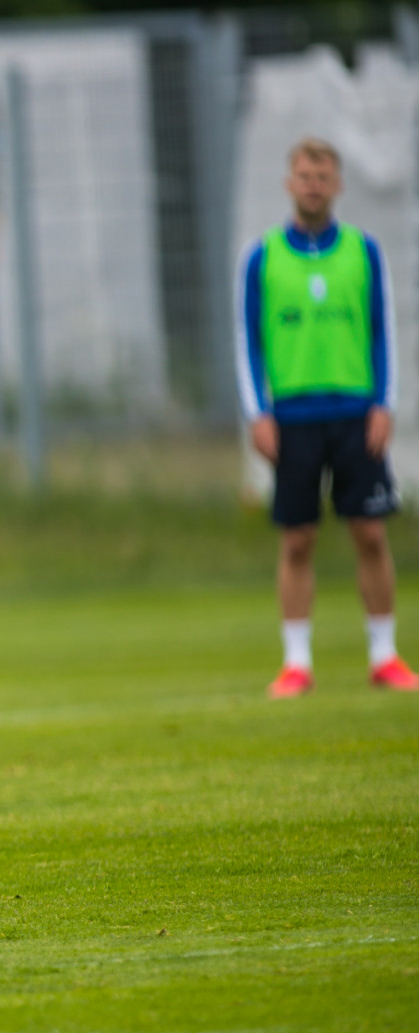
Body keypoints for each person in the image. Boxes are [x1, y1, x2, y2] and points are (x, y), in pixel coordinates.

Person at [236, 136, 417, 696]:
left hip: (355, 411)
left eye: (322, 177)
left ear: (336, 185)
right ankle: (296, 663)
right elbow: (248, 338)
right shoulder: (263, 256)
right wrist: (258, 412)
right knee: (297, 539)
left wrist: (383, 403)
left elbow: (384, 330)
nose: (313, 186)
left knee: (370, 532)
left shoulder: (363, 251)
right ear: (289, 183)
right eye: (304, 176)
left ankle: (384, 655)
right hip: (293, 415)